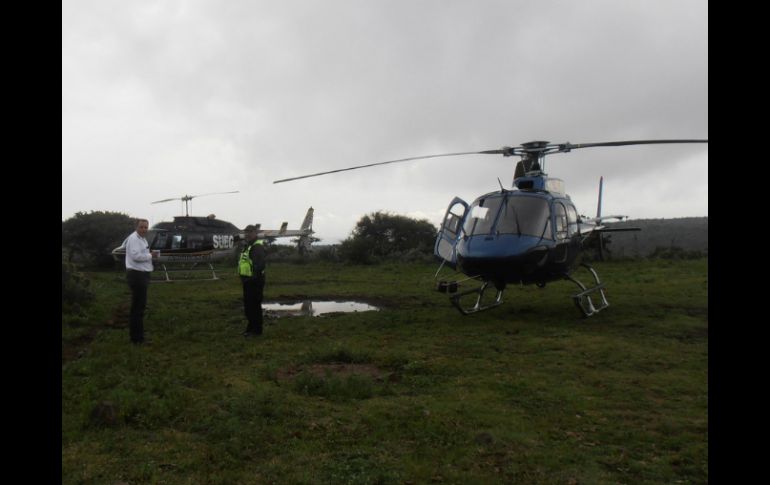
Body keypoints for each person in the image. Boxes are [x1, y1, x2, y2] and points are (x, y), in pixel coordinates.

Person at [124, 218, 159, 344]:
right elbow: (136, 257)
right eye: (141, 227)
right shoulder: (134, 239)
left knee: (140, 306)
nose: (144, 229)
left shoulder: (141, 239)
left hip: (142, 274)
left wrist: (150, 254)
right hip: (137, 275)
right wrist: (151, 255)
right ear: (136, 227)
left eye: (146, 227)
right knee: (138, 307)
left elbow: (141, 254)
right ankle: (137, 339)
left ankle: (138, 335)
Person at [238, 224, 266, 337]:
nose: (247, 234)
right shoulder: (248, 245)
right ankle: (250, 328)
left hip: (254, 281)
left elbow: (259, 265)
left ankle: (256, 331)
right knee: (249, 307)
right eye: (246, 232)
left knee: (254, 306)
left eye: (250, 232)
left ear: (255, 233)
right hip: (247, 281)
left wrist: (252, 278)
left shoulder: (256, 246)